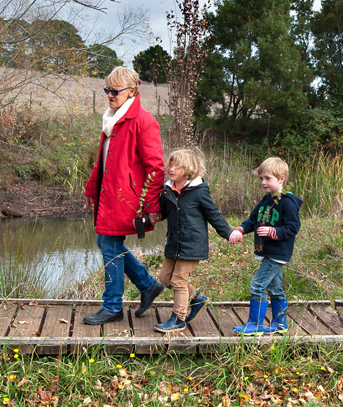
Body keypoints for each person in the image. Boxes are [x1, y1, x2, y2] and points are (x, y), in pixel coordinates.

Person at [82, 67, 165, 325]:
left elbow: (156, 168)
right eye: (107, 90)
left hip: (127, 199)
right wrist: (90, 187)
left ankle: (113, 305)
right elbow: (104, 161)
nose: (109, 95)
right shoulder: (112, 119)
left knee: (108, 245)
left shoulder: (143, 121)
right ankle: (148, 285)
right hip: (110, 195)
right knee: (105, 243)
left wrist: (150, 207)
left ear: (132, 91)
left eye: (114, 91)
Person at [152, 149, 233, 333]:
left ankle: (178, 319)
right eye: (170, 164)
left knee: (179, 280)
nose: (171, 169)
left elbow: (213, 214)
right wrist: (147, 217)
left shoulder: (199, 191)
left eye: (177, 166)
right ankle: (197, 298)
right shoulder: (168, 190)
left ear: (188, 169)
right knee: (165, 278)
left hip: (192, 243)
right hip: (174, 242)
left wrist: (228, 233)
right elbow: (163, 213)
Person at [228, 157, 304, 335]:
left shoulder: (287, 203)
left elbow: (293, 228)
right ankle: (280, 324)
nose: (263, 182)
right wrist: (240, 230)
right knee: (274, 288)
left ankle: (254, 324)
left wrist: (272, 232)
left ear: (281, 179)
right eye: (261, 178)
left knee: (257, 285)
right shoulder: (265, 200)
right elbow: (252, 220)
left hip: (278, 253)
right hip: (267, 252)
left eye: (268, 178)